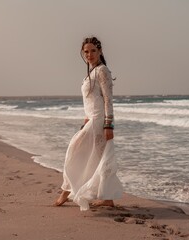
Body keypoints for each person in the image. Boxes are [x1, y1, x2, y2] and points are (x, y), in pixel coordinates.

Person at [54, 36, 123, 210]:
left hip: (100, 122)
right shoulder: (90, 73)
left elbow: (108, 100)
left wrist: (109, 125)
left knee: (76, 152)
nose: (89, 54)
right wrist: (85, 121)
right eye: (86, 51)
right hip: (90, 121)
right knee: (97, 158)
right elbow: (90, 102)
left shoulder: (102, 71)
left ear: (100, 51)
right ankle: (107, 198)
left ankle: (65, 192)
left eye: (93, 51)